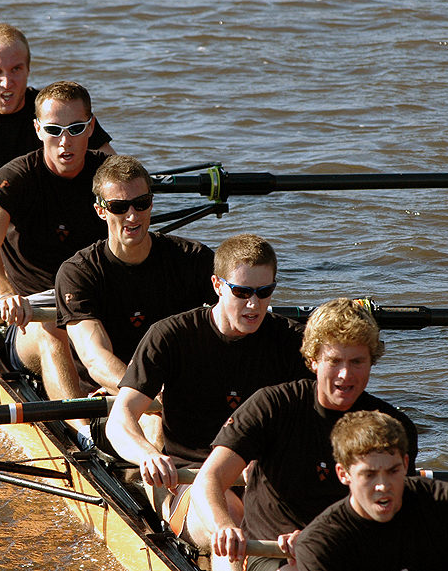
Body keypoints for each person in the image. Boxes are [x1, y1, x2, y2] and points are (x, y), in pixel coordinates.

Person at [105, 233, 311, 543]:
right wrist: (147, 455)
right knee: (235, 519)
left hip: (264, 479)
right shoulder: (170, 336)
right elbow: (120, 418)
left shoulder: (293, 341)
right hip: (190, 477)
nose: (254, 305)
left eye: (264, 292)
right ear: (217, 285)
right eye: (241, 292)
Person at [196, 297, 419, 571]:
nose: (345, 374)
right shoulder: (272, 405)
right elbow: (209, 479)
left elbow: (399, 517)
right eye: (334, 361)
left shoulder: (392, 425)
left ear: (372, 361)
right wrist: (224, 526)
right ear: (313, 360)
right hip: (271, 554)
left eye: (357, 361)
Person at [0, 24, 114, 283]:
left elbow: (114, 174)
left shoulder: (56, 114)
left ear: (28, 70)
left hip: (48, 233)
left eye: (16, 69)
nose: (7, 82)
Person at [0, 81, 110, 413]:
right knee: (51, 333)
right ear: (37, 130)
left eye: (75, 129)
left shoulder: (107, 178)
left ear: (91, 127)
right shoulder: (14, 179)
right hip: (32, 315)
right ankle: (81, 431)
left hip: (93, 306)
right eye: (54, 130)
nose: (65, 141)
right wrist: (4, 294)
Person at [289, 411, 448, 571]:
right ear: (343, 475)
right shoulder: (320, 543)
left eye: (393, 471)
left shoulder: (446, 501)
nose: (383, 485)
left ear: (406, 464)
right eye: (369, 475)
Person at [55, 154, 217, 396]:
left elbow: (231, 325)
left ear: (151, 203)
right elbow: (95, 357)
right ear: (101, 211)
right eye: (119, 207)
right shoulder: (79, 273)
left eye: (141, 203)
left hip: (178, 388)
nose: (133, 216)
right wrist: (141, 393)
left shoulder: (193, 259)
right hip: (115, 392)